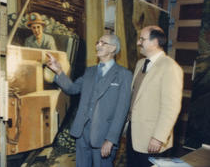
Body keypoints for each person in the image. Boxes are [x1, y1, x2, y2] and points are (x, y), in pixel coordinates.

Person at [46, 34, 132, 167]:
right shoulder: (90, 71)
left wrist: (111, 139)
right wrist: (58, 70)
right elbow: (72, 88)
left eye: (103, 43)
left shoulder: (124, 75)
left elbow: (122, 111)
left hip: (104, 136)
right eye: (98, 42)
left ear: (113, 48)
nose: (98, 45)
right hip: (82, 134)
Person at [126, 25, 183, 167]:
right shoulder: (140, 63)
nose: (138, 42)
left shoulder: (170, 67)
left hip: (152, 138)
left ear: (155, 42)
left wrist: (158, 138)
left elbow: (171, 107)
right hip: (133, 133)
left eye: (142, 39)